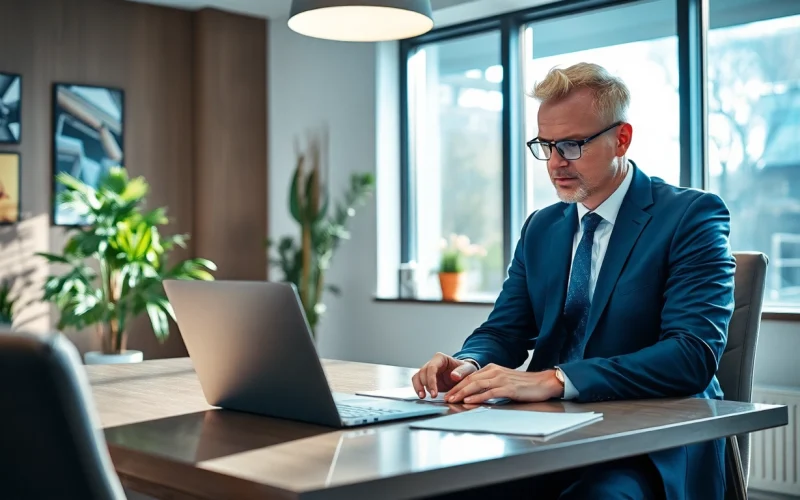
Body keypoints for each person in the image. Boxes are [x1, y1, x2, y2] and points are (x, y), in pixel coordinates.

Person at [411, 62, 735, 500]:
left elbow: (692, 356)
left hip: (648, 441)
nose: (556, 163)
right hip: (545, 429)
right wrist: (467, 363)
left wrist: (558, 379)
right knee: (442, 483)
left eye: (571, 144)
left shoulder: (690, 216)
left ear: (621, 138)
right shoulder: (542, 227)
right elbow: (506, 329)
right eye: (545, 145)